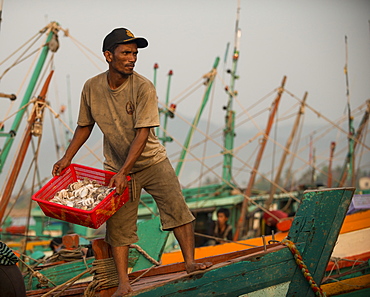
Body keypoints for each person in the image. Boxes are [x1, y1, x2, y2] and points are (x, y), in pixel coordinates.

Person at [52, 27, 212, 296]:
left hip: (151, 162)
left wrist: (124, 171)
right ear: (108, 55)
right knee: (119, 226)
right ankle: (123, 283)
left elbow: (143, 133)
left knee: (176, 209)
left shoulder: (143, 87)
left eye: (135, 53)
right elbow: (84, 126)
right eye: (126, 52)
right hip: (115, 167)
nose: (132, 58)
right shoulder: (91, 87)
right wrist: (67, 158)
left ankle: (190, 263)